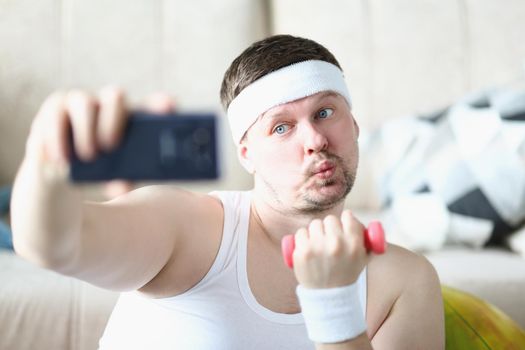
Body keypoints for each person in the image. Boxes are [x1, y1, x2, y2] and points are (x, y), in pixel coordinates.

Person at [10, 34, 444, 349]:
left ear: (354, 125)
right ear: (246, 154)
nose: (314, 139)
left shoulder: (404, 282)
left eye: (326, 111)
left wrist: (335, 310)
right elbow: (55, 245)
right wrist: (49, 161)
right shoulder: (186, 228)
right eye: (281, 126)